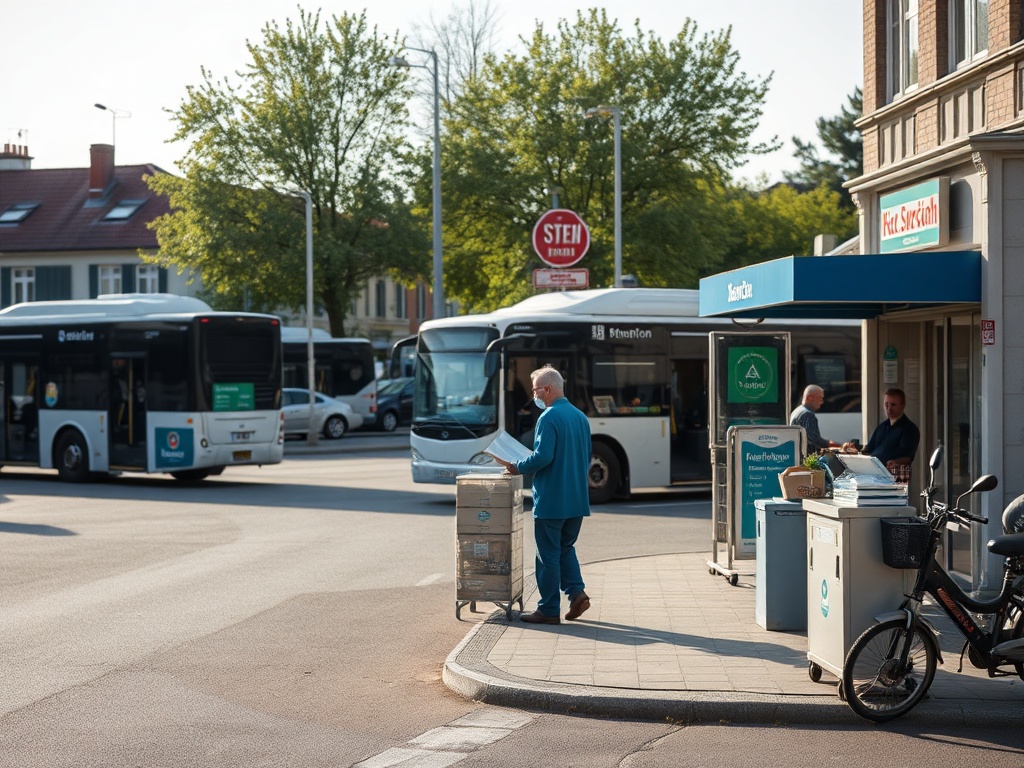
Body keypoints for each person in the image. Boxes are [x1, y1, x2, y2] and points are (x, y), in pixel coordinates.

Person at [491, 366, 592, 625]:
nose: (534, 395)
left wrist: (517, 467)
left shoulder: (548, 417)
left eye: (535, 389)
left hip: (552, 499)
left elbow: (544, 456)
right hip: (577, 499)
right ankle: (577, 593)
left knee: (547, 555)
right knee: (565, 548)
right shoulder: (580, 417)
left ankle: (548, 609)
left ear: (547, 389)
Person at [843, 388, 920, 470]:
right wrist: (855, 449)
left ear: (903, 405)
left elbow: (906, 458)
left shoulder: (909, 429)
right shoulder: (882, 427)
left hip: (893, 475)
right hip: (873, 471)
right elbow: (870, 449)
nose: (889, 409)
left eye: (893, 405)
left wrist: (886, 465)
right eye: (886, 404)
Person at [789, 385, 839, 452]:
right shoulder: (807, 414)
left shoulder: (796, 411)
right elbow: (814, 440)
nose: (822, 402)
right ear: (810, 398)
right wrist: (829, 444)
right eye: (820, 398)